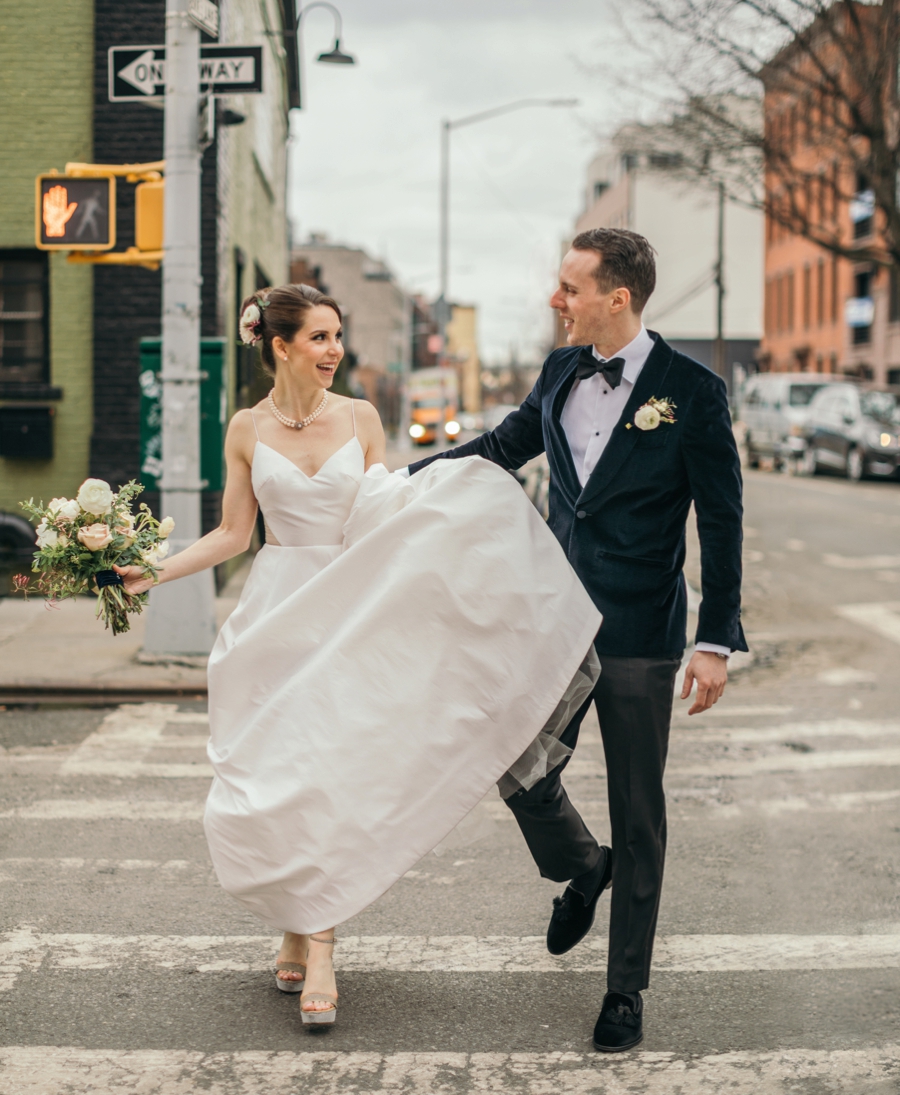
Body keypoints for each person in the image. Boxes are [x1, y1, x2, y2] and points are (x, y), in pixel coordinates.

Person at [115, 283, 602, 1029]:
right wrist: (150, 569)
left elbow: (386, 515)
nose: (335, 350)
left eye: (338, 335)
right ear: (279, 345)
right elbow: (233, 535)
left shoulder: (361, 418)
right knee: (278, 776)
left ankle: (321, 949)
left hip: (348, 612)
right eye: (319, 337)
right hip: (277, 611)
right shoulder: (246, 429)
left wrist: (458, 510)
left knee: (330, 778)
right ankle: (292, 919)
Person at [407, 228, 746, 1052]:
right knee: (515, 762)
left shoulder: (691, 390)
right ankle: (580, 867)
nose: (555, 300)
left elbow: (723, 518)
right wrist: (404, 485)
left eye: (569, 287)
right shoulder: (561, 370)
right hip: (552, 619)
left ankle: (624, 987)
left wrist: (716, 639)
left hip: (638, 630)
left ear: (616, 297)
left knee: (639, 813)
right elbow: (502, 448)